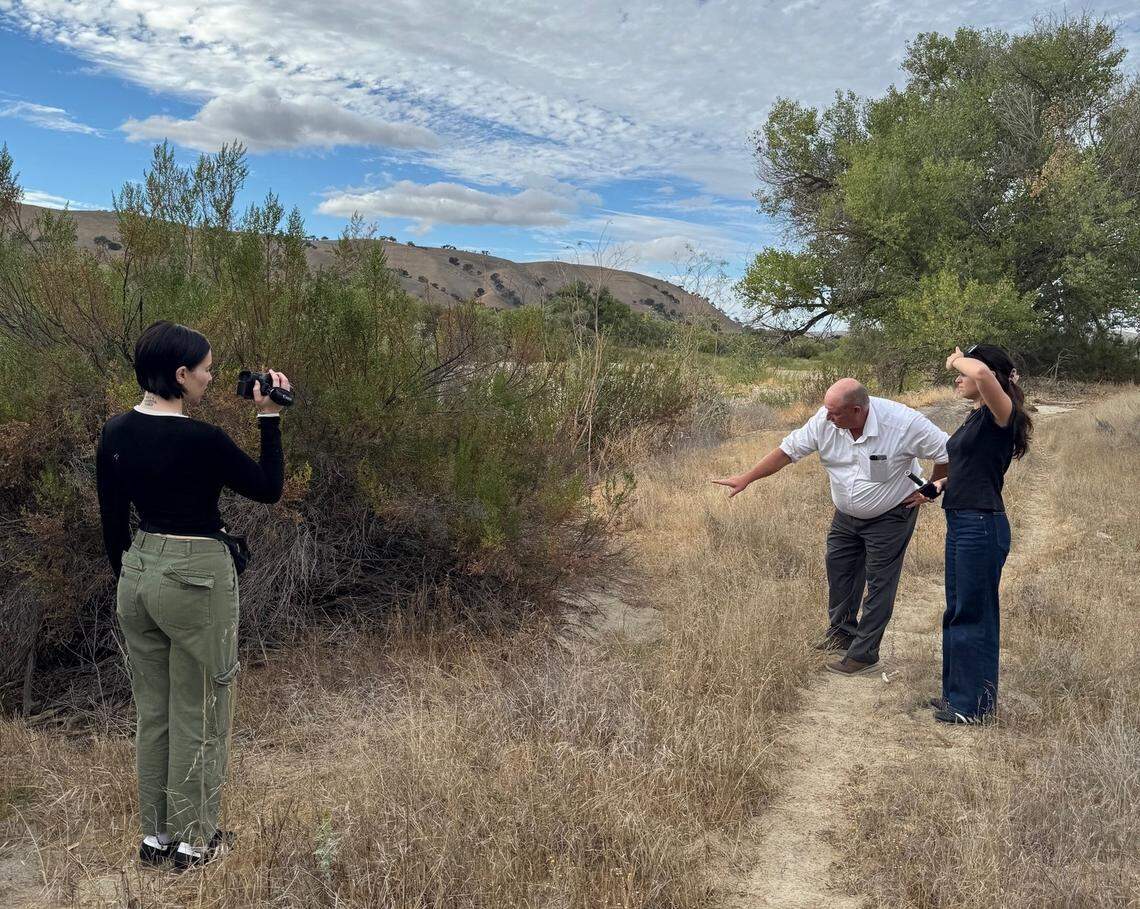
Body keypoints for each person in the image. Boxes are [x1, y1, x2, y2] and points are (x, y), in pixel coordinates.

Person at [96, 321, 290, 869]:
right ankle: (194, 842)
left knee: (153, 711)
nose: (209, 378)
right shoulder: (201, 440)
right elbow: (268, 489)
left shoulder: (114, 433)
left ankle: (154, 838)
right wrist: (269, 415)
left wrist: (132, 576)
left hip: (137, 572)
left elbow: (112, 524)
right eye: (204, 369)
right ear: (180, 375)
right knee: (201, 709)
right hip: (196, 574)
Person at [712, 379, 948, 675]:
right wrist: (747, 477)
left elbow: (948, 451)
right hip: (846, 514)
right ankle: (842, 632)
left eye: (834, 412)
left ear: (857, 410)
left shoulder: (903, 423)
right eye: (826, 409)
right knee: (839, 568)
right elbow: (788, 451)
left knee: (879, 581)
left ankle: (864, 655)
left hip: (891, 513)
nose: (827, 416)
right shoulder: (825, 420)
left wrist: (931, 488)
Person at [923, 345, 1032, 725]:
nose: (957, 376)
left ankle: (973, 707)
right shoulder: (978, 417)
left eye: (961, 372)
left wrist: (956, 356)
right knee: (957, 609)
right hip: (961, 519)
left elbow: (983, 376)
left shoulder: (1003, 412)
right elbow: (972, 468)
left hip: (981, 526)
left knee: (974, 612)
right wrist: (938, 486)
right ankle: (957, 696)